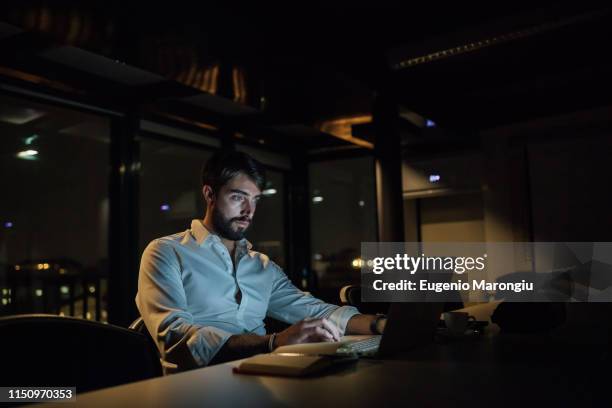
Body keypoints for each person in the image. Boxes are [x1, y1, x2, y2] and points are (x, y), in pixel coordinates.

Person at [136, 151, 385, 374]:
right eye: (238, 197)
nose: (249, 210)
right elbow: (174, 337)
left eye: (255, 199)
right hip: (196, 386)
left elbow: (315, 310)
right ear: (209, 194)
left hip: (265, 374)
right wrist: (273, 342)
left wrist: (381, 325)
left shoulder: (262, 266)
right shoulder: (166, 252)